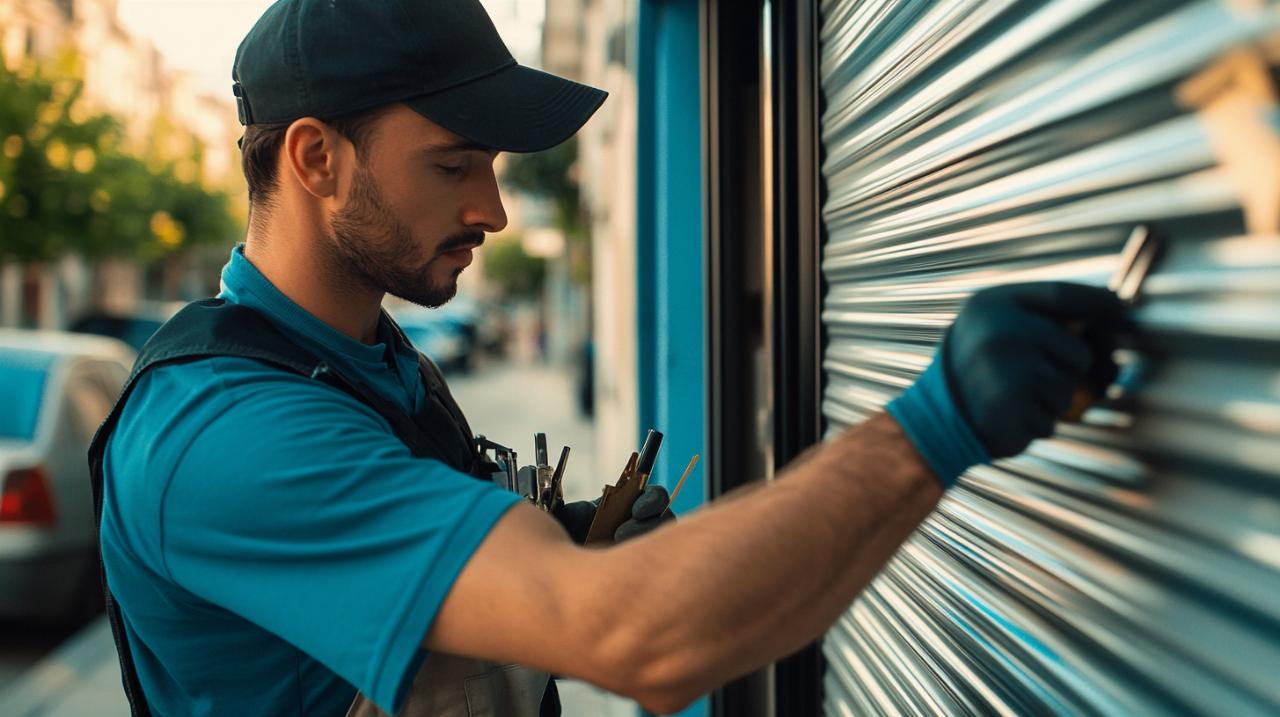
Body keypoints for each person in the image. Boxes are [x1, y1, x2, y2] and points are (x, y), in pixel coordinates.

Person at [89, 1, 1126, 716]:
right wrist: (934, 428)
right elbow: (641, 644)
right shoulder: (225, 440)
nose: (489, 207)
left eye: (490, 167)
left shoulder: (370, 360)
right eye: (452, 163)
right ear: (316, 158)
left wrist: (569, 537)